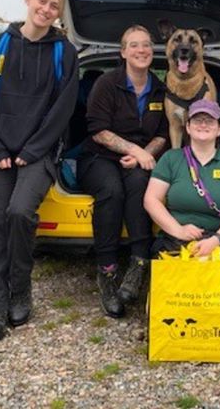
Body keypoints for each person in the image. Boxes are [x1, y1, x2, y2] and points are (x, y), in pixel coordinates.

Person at [0, 0, 79, 342]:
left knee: (20, 213)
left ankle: (20, 290)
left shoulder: (63, 53)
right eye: (43, 1)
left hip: (39, 153)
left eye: (54, 7)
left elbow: (62, 110)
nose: (47, 10)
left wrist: (31, 152)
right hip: (0, 152)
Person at [77, 25, 168, 318]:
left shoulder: (160, 88)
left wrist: (145, 155)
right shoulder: (106, 83)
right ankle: (107, 271)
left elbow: (164, 134)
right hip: (98, 157)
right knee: (112, 191)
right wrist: (133, 149)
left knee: (141, 185)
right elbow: (98, 130)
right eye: (134, 45)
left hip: (139, 159)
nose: (141, 50)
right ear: (123, 52)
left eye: (146, 45)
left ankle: (139, 264)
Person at [144, 99, 220, 256]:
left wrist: (216, 239)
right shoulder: (171, 158)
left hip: (218, 238)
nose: (203, 125)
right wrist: (178, 231)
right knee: (162, 252)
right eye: (197, 120)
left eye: (209, 121)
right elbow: (151, 200)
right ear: (188, 127)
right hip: (176, 238)